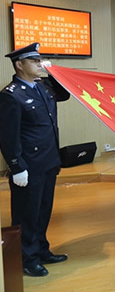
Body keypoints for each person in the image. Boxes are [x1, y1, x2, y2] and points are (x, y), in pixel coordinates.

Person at [0, 43, 70, 277]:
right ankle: (25, 259)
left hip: (48, 160)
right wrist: (17, 166)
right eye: (35, 61)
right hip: (29, 165)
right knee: (26, 214)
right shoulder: (11, 95)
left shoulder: (43, 86)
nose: (39, 64)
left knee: (43, 211)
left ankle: (40, 249)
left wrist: (53, 72)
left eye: (40, 61)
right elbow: (8, 136)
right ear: (19, 65)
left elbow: (64, 94)